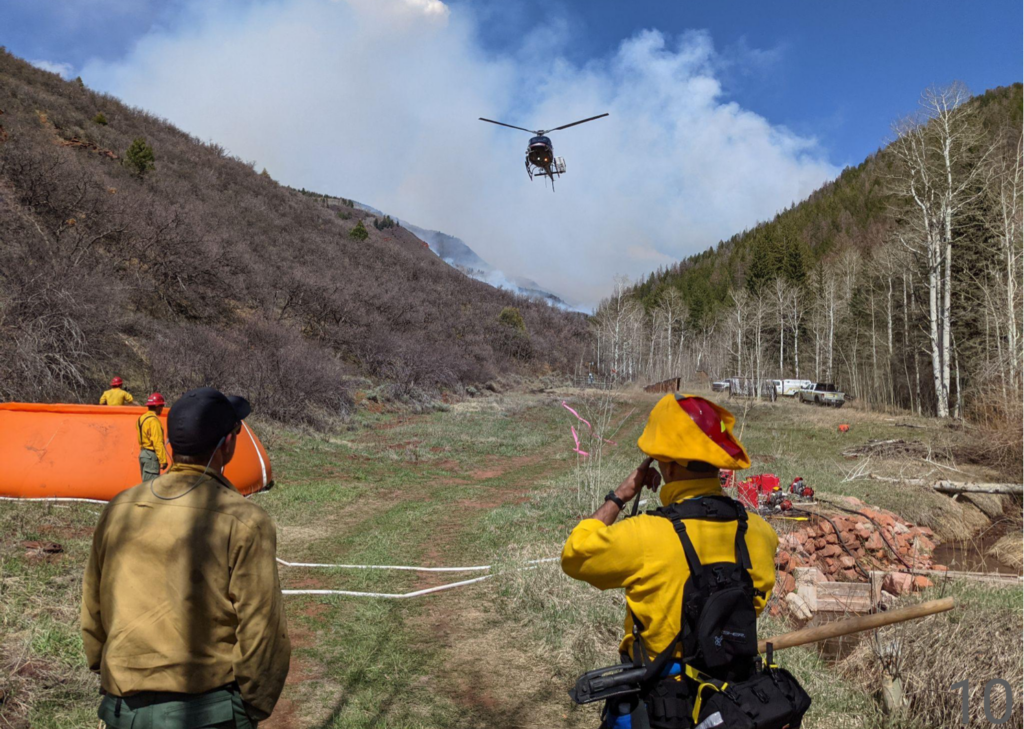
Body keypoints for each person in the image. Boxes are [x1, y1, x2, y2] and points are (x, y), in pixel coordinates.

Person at [562, 394, 780, 728]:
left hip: (660, 704)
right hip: (734, 704)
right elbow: (753, 603)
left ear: (669, 466)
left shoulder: (646, 535)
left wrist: (620, 496)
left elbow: (575, 554)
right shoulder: (761, 533)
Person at [82, 387, 291, 728]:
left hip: (124, 709)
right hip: (208, 711)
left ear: (169, 446)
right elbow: (262, 628)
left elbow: (93, 607)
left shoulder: (120, 508)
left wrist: (107, 673)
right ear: (228, 444)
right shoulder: (245, 520)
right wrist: (252, 706)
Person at [137, 393, 169, 481]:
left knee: (145, 485)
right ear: (157, 406)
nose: (162, 408)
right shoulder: (154, 421)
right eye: (162, 406)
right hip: (151, 456)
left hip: (143, 454)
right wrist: (163, 460)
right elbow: (157, 442)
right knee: (151, 486)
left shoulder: (141, 418)